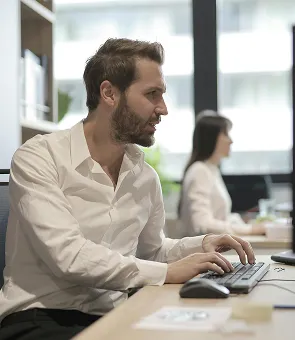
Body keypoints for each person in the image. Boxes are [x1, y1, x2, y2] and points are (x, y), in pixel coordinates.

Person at [0, 38, 255, 340]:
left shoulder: (143, 176)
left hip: (115, 314)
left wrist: (202, 246)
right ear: (109, 93)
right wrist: (167, 273)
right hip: (40, 318)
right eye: (152, 94)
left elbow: (152, 251)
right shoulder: (39, 157)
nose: (164, 109)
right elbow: (68, 256)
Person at [178, 111, 266, 237]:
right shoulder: (199, 171)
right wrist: (250, 230)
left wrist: (248, 225)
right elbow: (202, 224)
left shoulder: (211, 169)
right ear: (211, 138)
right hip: (204, 251)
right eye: (225, 134)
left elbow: (223, 218)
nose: (231, 141)